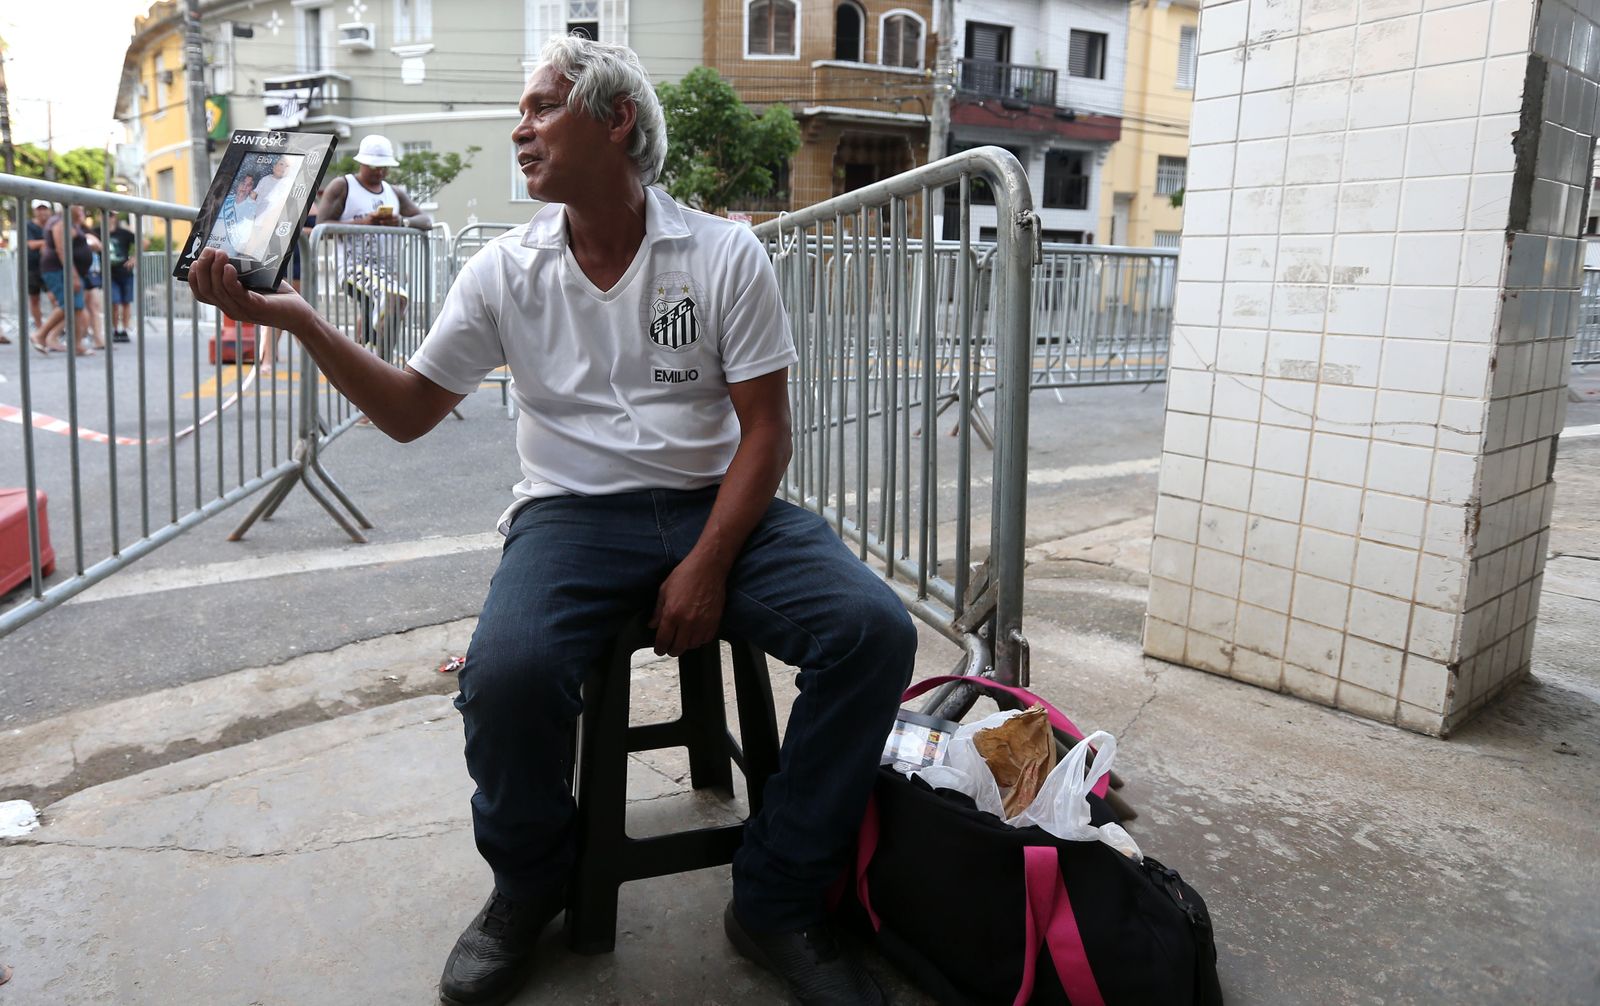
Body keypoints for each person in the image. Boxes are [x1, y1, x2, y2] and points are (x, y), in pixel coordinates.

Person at [186, 35, 914, 1006]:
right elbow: (408, 412)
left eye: (539, 109)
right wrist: (303, 320)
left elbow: (765, 435)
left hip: (720, 502)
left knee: (872, 630)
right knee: (508, 675)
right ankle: (531, 882)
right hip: (570, 517)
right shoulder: (503, 269)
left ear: (616, 120)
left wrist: (704, 563)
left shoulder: (722, 252)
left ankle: (777, 896)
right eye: (519, 113)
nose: (518, 129)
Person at [314, 134, 431, 360]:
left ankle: (369, 359)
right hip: (353, 268)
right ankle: (380, 362)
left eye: (385, 167)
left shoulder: (393, 192)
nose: (380, 172)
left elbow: (425, 221)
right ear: (362, 162)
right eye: (375, 166)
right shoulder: (343, 186)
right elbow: (322, 227)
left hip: (387, 271)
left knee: (388, 307)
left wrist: (401, 222)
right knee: (395, 297)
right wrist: (361, 223)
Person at [31, 203, 97, 355]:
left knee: (77, 307)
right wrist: (72, 274)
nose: (82, 210)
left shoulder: (71, 223)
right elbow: (62, 249)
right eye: (78, 207)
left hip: (67, 270)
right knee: (68, 304)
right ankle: (40, 335)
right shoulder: (60, 222)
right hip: (59, 270)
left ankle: (76, 345)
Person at [25, 201, 55, 331]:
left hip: (50, 267)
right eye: (39, 209)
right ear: (34, 211)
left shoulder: (53, 224)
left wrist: (44, 244)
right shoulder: (28, 225)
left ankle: (53, 329)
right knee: (34, 299)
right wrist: (47, 243)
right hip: (32, 267)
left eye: (44, 208)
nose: (42, 212)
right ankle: (39, 327)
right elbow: (31, 244)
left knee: (54, 298)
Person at [107, 212, 137, 343]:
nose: (108, 218)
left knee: (126, 302)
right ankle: (114, 330)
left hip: (125, 272)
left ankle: (124, 330)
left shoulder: (123, 233)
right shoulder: (97, 232)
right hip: (109, 274)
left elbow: (144, 242)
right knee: (115, 302)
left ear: (115, 217)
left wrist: (134, 258)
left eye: (111, 215)